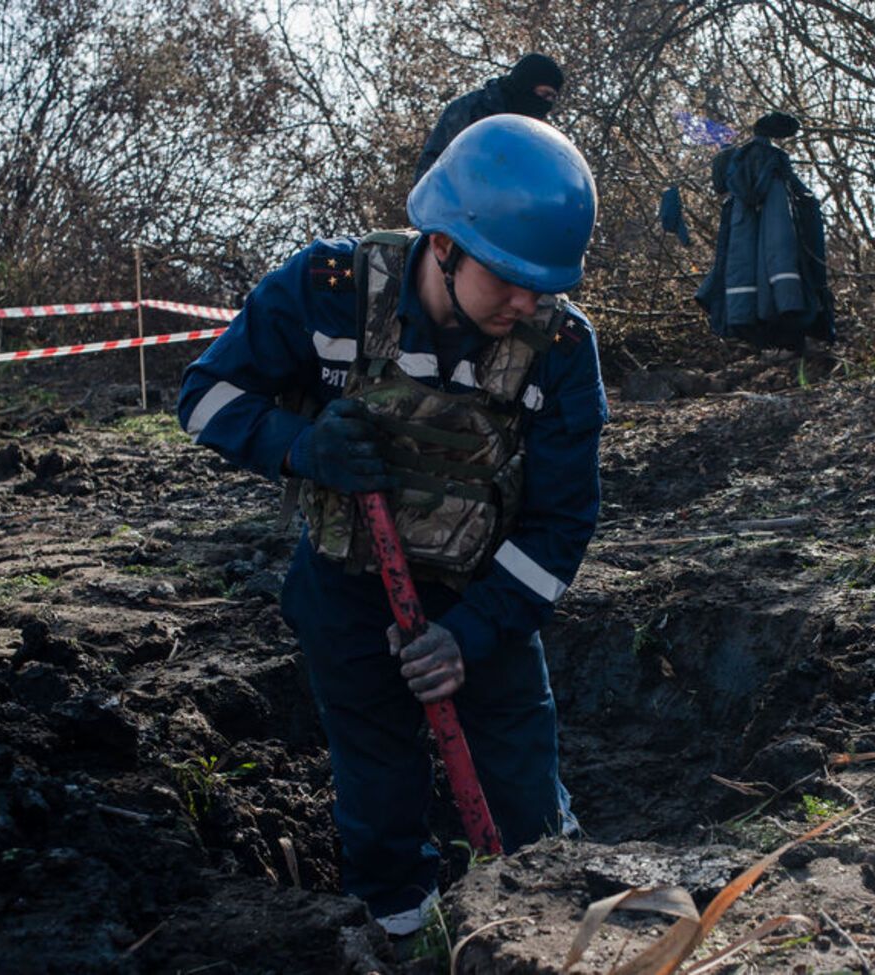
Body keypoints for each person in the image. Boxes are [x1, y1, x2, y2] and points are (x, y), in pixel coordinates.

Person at [178, 115, 606, 933]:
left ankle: (546, 933)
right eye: (509, 278)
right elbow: (204, 396)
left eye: (544, 285)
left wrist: (471, 635)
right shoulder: (330, 290)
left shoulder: (558, 348)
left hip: (488, 594)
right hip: (345, 587)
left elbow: (561, 525)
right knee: (378, 789)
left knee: (527, 801)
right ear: (443, 245)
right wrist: (302, 446)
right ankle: (403, 930)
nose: (526, 302)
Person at [694, 111, 835, 351]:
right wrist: (791, 298)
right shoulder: (773, 176)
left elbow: (758, 250)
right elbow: (780, 243)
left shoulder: (742, 191)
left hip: (753, 306)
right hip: (777, 302)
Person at [412, 53, 564, 185]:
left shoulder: (536, 132)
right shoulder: (471, 109)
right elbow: (434, 163)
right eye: (544, 95)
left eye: (552, 98)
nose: (547, 104)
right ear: (526, 85)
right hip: (461, 208)